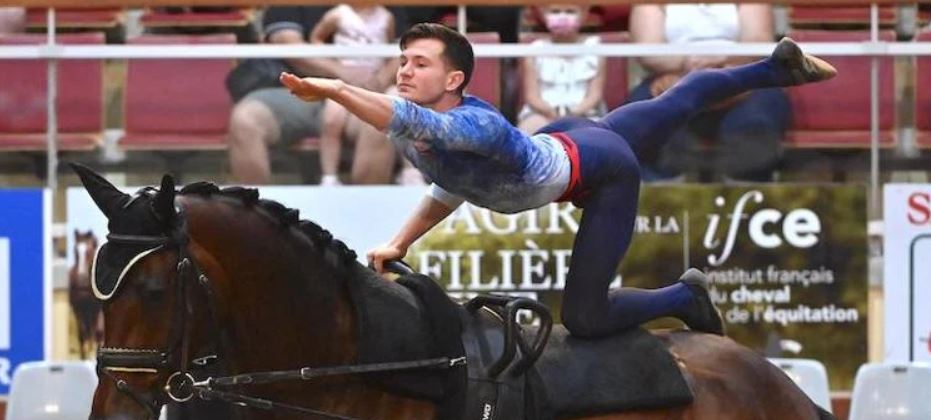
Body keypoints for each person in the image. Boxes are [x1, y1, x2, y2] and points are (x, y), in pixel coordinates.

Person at [281, 23, 836, 338]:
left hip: (602, 167)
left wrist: (331, 89)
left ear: (454, 80)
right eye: (402, 60)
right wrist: (401, 241)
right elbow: (451, 183)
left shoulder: (473, 121)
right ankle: (777, 67)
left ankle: (685, 296)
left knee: (586, 319)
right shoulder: (419, 132)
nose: (403, 70)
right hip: (571, 136)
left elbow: (415, 123)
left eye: (419, 63)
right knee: (677, 100)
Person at [227, 6, 396, 184]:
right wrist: (343, 74)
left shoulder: (385, 8)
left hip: (362, 93)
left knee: (380, 121)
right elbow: (287, 42)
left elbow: (407, 47)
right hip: (296, 91)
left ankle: (369, 207)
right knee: (245, 118)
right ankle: (253, 208)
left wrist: (379, 81)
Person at [628, 3, 789, 182]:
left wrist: (722, 61)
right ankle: (664, 194)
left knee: (758, 118)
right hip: (672, 77)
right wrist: (689, 66)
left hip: (741, 74)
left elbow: (759, 40)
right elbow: (648, 50)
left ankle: (746, 192)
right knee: (645, 116)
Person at [310, 4, 398, 185]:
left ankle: (410, 172)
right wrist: (336, 63)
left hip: (374, 81)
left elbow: (389, 48)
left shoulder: (386, 16)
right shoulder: (337, 13)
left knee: (400, 109)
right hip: (342, 81)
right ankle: (329, 177)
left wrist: (382, 78)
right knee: (331, 120)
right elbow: (316, 38)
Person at [518, 4, 607, 134]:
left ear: (584, 14)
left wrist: (572, 113)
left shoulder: (595, 48)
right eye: (555, 11)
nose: (562, 16)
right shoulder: (534, 50)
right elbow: (532, 96)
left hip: (585, 113)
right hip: (541, 113)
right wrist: (551, 113)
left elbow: (595, 95)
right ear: (543, 14)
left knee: (592, 133)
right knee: (529, 130)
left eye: (570, 11)